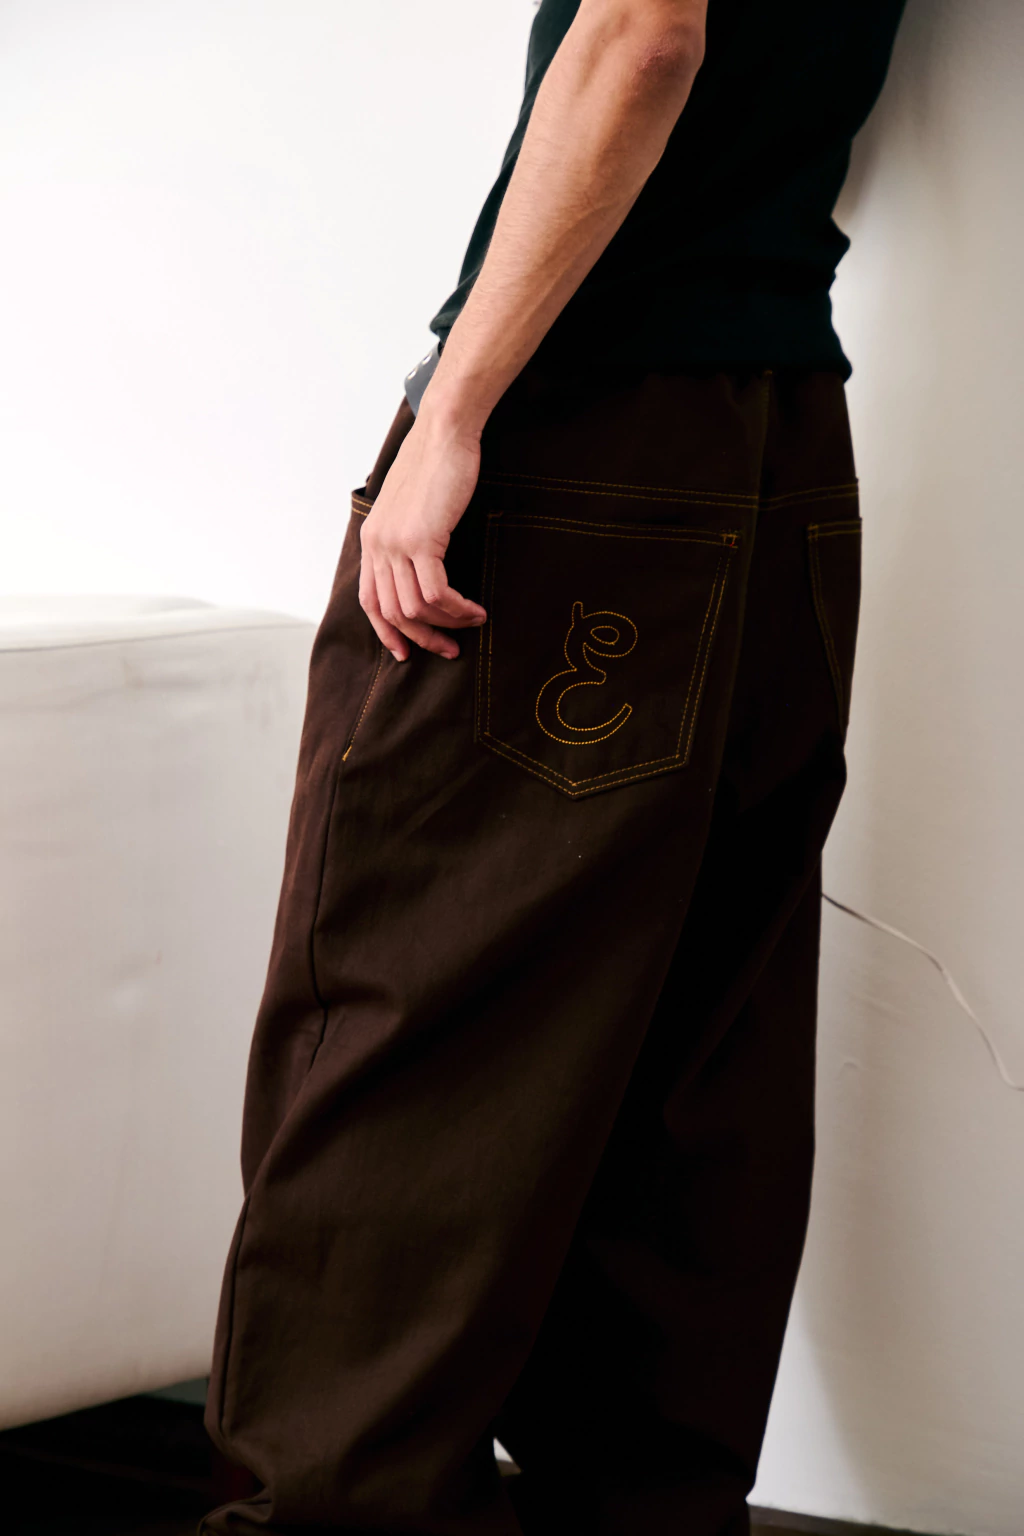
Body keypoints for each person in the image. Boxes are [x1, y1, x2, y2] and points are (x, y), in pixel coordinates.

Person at [200, 1, 906, 1532]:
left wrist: (452, 413)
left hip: (589, 419)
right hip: (785, 429)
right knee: (697, 1041)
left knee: (413, 1018)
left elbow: (644, 35)